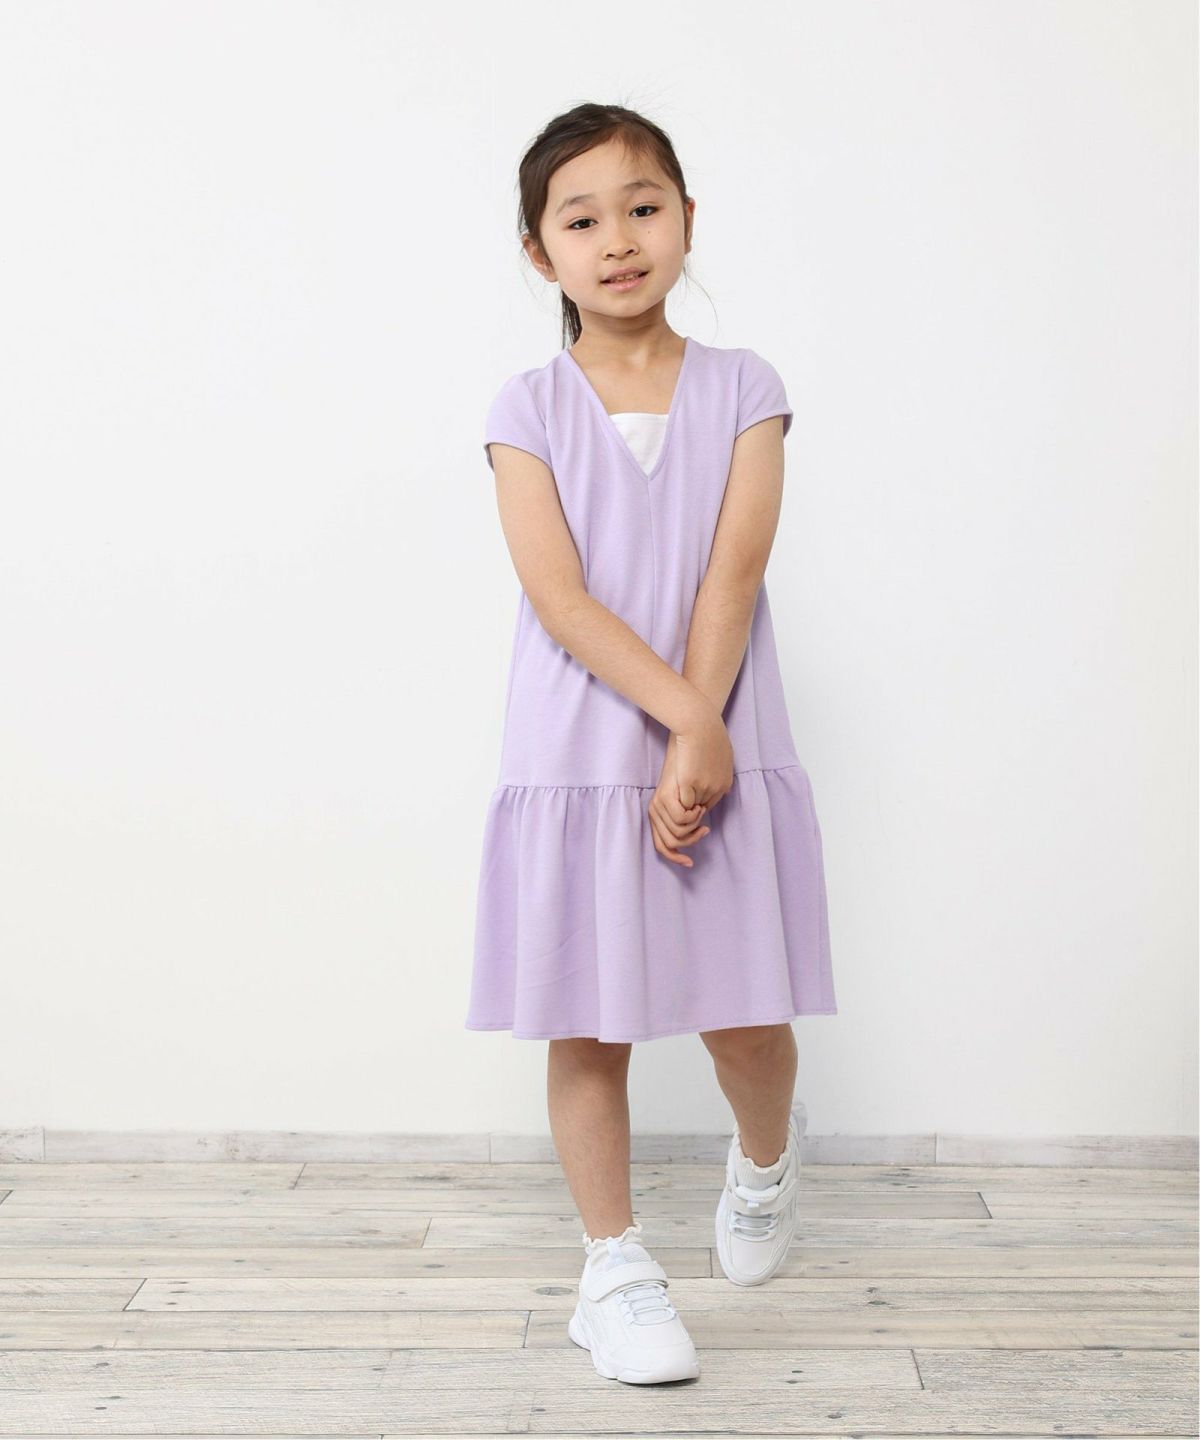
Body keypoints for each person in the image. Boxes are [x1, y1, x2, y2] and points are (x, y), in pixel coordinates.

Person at [466, 102, 838, 1385]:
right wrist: (684, 720)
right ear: (540, 252)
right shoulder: (525, 408)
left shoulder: (747, 389)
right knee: (589, 1026)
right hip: (580, 751)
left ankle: (767, 1158)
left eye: (643, 208)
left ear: (686, 219)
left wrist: (704, 729)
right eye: (582, 220)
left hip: (719, 731)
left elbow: (732, 572)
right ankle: (614, 1270)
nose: (618, 239)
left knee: (747, 1023)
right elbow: (561, 598)